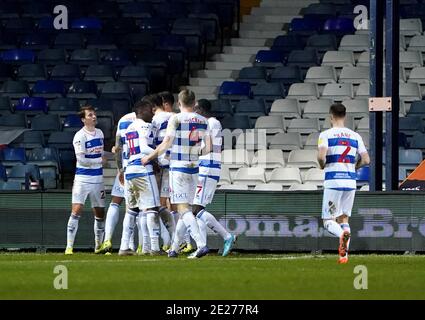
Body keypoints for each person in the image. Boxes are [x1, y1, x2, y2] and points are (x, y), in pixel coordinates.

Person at [142, 89, 211, 259]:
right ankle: (174, 248)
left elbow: (166, 143)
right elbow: (209, 148)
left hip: (178, 168)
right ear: (194, 103)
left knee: (181, 207)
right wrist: (194, 153)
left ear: (179, 103)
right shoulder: (204, 121)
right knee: (186, 208)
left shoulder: (176, 118)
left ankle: (201, 244)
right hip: (194, 168)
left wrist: (149, 157)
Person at [317, 103, 370, 264]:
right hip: (350, 181)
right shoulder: (355, 136)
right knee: (344, 218)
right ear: (345, 116)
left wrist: (321, 165)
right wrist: (355, 167)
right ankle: (344, 256)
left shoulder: (326, 134)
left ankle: (341, 235)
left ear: (331, 116)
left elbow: (321, 157)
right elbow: (366, 159)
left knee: (328, 221)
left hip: (333, 181)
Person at [193, 99, 236, 256]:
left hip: (208, 168)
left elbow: (209, 147)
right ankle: (202, 247)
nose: (194, 111)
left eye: (196, 108)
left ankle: (227, 236)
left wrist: (192, 154)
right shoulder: (211, 123)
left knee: (196, 209)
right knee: (197, 208)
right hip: (206, 167)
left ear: (202, 109)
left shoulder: (210, 123)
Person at [119, 99, 162, 255]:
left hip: (130, 170)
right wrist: (153, 157)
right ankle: (155, 248)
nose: (152, 113)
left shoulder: (130, 127)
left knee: (132, 210)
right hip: (143, 169)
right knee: (152, 208)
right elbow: (144, 147)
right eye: (150, 110)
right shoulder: (145, 126)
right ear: (142, 111)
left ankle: (124, 247)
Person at [65, 106, 106, 255]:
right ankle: (69, 247)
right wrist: (99, 161)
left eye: (94, 114)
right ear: (83, 119)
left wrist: (112, 154)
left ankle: (98, 246)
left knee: (100, 213)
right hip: (83, 178)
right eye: (90, 115)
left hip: (98, 178)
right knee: (76, 211)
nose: (94, 117)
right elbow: (81, 159)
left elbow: (100, 154)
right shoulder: (79, 136)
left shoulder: (100, 133)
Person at [97, 109, 138, 254]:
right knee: (135, 207)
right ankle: (131, 245)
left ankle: (107, 239)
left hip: (124, 167)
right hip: (138, 169)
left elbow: (117, 148)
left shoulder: (123, 119)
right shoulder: (146, 121)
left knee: (115, 202)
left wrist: (120, 169)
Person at [148, 93, 176, 252]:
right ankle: (177, 241)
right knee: (175, 204)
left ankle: (158, 243)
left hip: (159, 163)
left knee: (156, 204)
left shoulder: (154, 120)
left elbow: (151, 143)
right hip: (175, 163)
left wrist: (151, 159)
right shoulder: (176, 116)